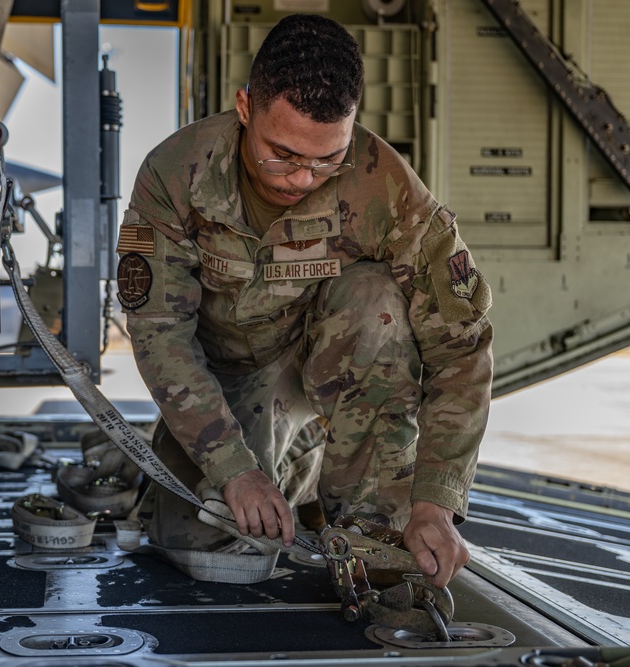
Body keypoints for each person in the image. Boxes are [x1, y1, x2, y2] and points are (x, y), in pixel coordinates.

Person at [115, 13, 493, 589]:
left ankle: (368, 518)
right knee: (202, 538)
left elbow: (461, 345)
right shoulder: (175, 175)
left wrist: (435, 502)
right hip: (228, 382)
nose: (302, 179)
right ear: (245, 107)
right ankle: (299, 467)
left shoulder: (385, 185)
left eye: (326, 159)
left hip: (324, 368)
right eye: (283, 154)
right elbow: (159, 332)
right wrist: (233, 469)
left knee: (376, 301)